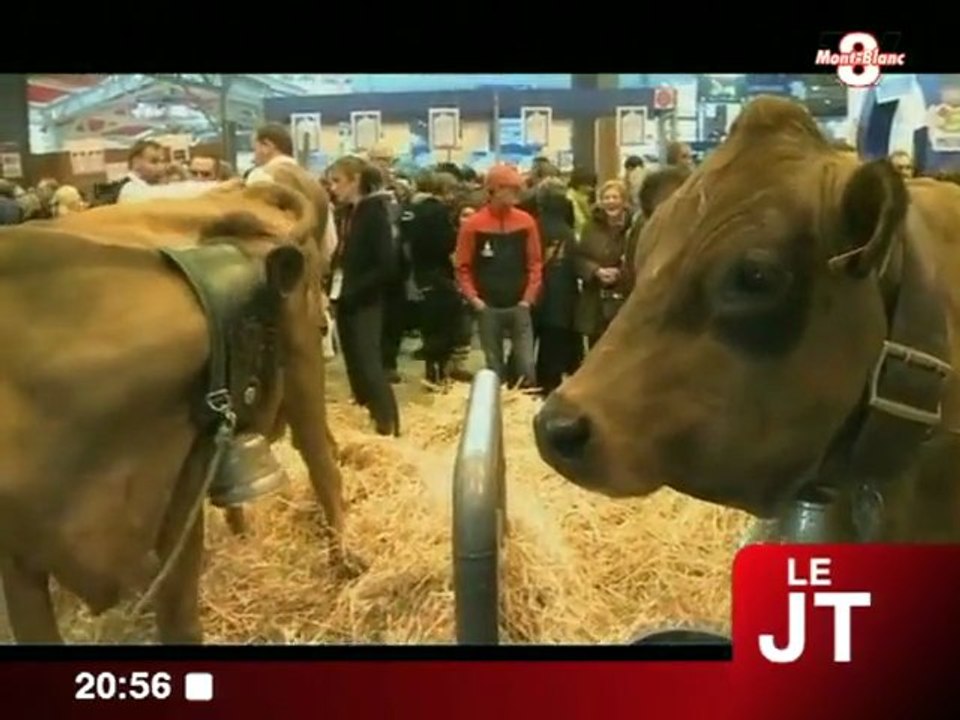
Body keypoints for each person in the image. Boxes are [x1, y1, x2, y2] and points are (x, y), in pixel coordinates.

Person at [327, 156, 400, 436]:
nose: (333, 188)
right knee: (355, 365)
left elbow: (386, 264)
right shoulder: (347, 212)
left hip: (365, 300)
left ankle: (388, 424)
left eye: (338, 181)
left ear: (355, 180)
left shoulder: (374, 212)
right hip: (346, 298)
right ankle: (371, 418)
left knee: (370, 365)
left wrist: (355, 289)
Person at [455, 164, 543, 387]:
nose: (516, 193)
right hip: (488, 306)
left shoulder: (526, 222)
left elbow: (535, 263)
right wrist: (475, 300)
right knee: (494, 369)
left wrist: (527, 299)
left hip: (519, 304)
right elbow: (462, 266)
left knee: (526, 367)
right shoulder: (473, 225)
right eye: (510, 188)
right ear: (494, 190)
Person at [402, 171, 461, 385]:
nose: (453, 196)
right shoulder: (437, 212)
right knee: (442, 327)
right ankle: (438, 376)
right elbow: (447, 244)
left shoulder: (408, 210)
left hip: (415, 274)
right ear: (443, 191)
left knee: (429, 328)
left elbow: (404, 244)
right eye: (451, 191)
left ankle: (433, 373)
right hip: (437, 273)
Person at [532, 178, 582, 396]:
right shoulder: (568, 232)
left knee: (525, 343)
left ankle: (521, 382)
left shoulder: (531, 225)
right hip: (562, 294)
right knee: (553, 347)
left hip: (532, 293)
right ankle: (548, 386)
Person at [572, 179, 631, 348]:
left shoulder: (634, 227)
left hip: (623, 298)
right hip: (595, 300)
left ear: (624, 200)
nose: (610, 201)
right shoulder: (590, 226)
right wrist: (596, 271)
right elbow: (579, 257)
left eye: (615, 197)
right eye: (606, 198)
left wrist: (620, 272)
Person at [566, 166, 597, 238]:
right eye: (591, 186)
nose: (592, 189)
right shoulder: (571, 200)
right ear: (580, 184)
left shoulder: (580, 197)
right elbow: (581, 225)